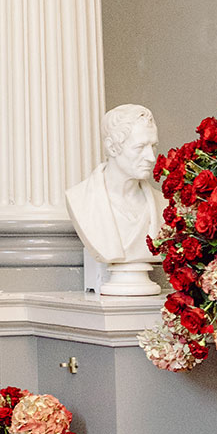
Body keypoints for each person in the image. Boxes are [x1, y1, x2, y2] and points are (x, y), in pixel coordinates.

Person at [65, 104, 164, 297]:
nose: (151, 157)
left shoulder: (163, 205)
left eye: (153, 146)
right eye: (140, 147)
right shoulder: (81, 199)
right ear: (112, 147)